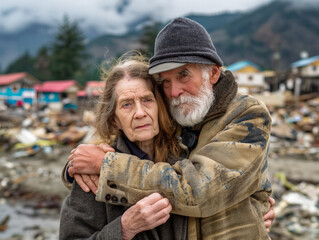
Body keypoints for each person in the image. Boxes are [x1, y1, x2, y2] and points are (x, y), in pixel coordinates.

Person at [67, 17, 275, 239]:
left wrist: (107, 166)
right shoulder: (178, 113)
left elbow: (198, 191)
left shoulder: (247, 114)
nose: (174, 91)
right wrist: (76, 166)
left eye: (183, 75)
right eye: (165, 81)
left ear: (213, 73)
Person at [59, 57, 188, 239]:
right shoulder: (95, 173)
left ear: (161, 106)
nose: (140, 113)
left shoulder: (187, 157)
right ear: (114, 119)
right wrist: (123, 229)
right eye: (127, 104)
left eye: (147, 100)